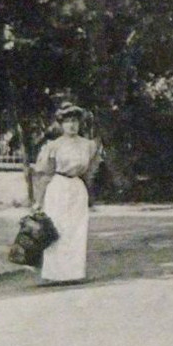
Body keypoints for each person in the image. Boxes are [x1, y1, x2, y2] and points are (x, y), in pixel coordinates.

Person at [31, 103, 107, 284]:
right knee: (57, 228)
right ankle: (54, 274)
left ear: (80, 124)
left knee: (77, 230)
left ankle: (74, 273)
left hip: (77, 189)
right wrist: (38, 201)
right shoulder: (53, 146)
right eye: (67, 122)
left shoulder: (88, 145)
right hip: (58, 187)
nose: (72, 125)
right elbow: (44, 173)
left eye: (75, 121)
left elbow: (92, 171)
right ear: (61, 124)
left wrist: (90, 193)